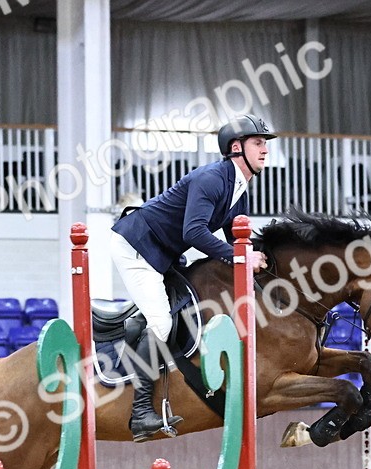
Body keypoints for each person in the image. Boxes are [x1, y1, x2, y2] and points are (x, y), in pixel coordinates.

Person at [110, 114, 275, 442]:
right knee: (160, 323)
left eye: (265, 143)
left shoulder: (237, 188)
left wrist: (264, 270)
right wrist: (241, 256)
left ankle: (141, 342)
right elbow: (194, 231)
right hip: (137, 246)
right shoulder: (212, 179)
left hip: (163, 252)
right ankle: (141, 412)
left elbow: (236, 241)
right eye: (258, 143)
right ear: (236, 148)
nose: (265, 149)